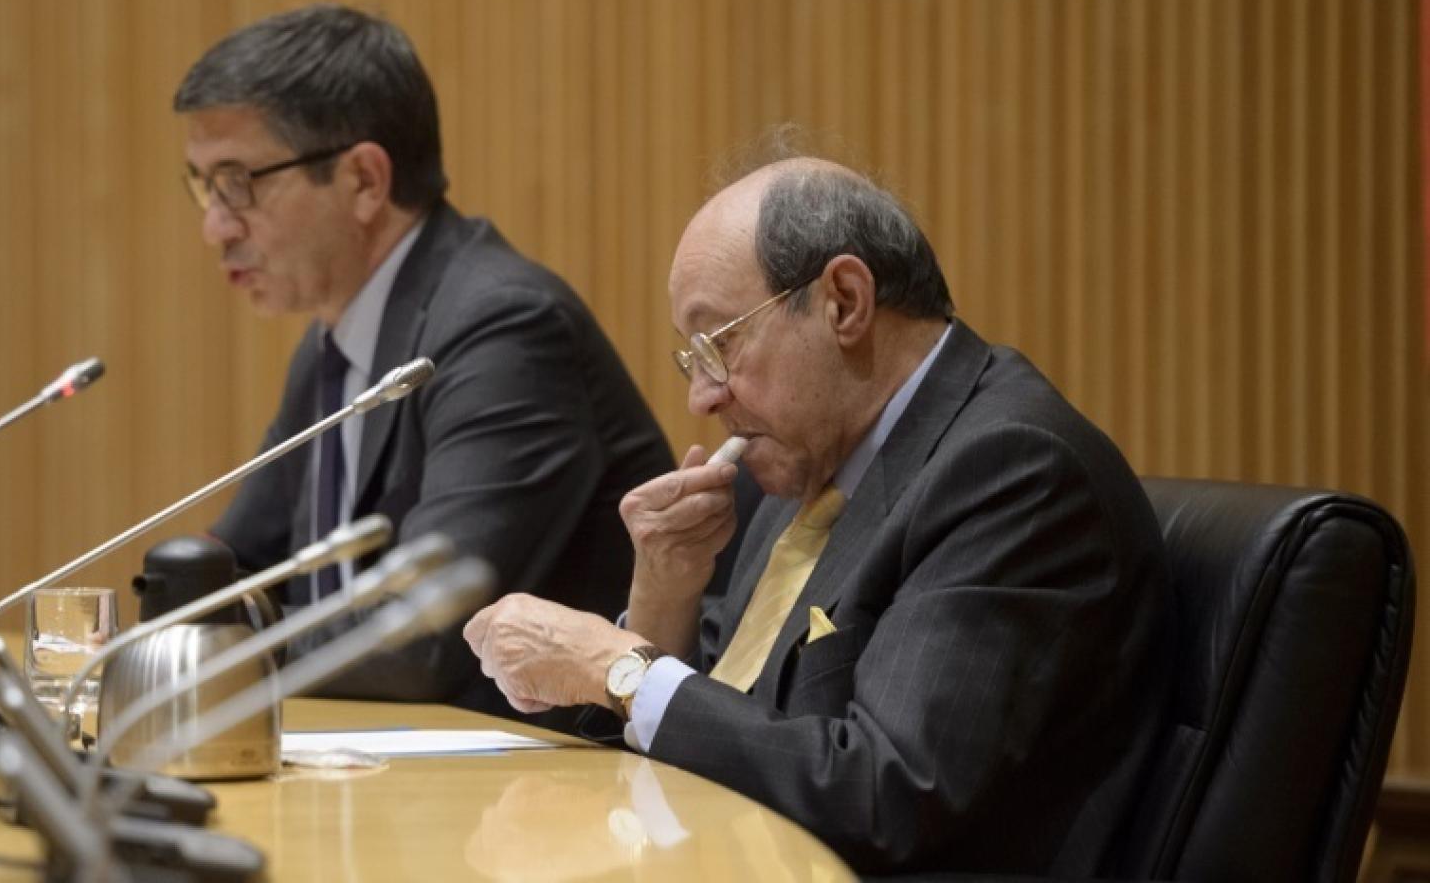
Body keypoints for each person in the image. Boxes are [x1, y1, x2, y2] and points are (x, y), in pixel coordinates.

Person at [463, 157, 1170, 873]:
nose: (701, 398)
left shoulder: (1011, 471)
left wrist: (618, 669)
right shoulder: (812, 463)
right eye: (693, 358)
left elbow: (885, 795)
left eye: (719, 345)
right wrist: (664, 595)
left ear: (844, 302)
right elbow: (737, 713)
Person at [175, 4, 672, 724]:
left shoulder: (502, 326)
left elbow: (424, 633)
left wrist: (213, 655)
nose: (214, 226)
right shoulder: (332, 343)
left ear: (364, 180)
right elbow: (234, 570)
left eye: (237, 183)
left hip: (549, 779)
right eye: (202, 186)